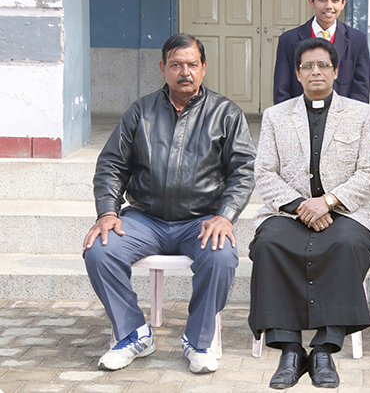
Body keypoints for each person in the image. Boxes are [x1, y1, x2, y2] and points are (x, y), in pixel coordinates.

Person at [83, 33, 256, 374]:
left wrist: (225, 216)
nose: (185, 72)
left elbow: (243, 171)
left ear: (203, 67)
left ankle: (198, 341)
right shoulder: (140, 112)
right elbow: (111, 165)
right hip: (145, 219)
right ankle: (134, 334)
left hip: (201, 220)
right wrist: (107, 212)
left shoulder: (226, 113)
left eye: (192, 65)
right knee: (99, 249)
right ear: (163, 68)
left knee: (221, 256)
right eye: (176, 65)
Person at [249, 37, 370, 389]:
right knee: (269, 243)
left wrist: (329, 201)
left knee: (346, 245)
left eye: (323, 65)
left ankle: (324, 348)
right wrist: (300, 205)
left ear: (336, 71)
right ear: (297, 74)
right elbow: (265, 172)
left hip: (346, 212)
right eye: (307, 66)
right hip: (290, 212)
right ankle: (289, 349)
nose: (316, 71)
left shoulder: (361, 114)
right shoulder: (276, 116)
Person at [273, 0, 370, 104]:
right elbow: (282, 92)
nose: (329, 6)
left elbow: (361, 92)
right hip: (299, 115)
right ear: (311, 1)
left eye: (335, 0)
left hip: (343, 115)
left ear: (343, 3)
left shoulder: (357, 40)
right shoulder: (288, 40)